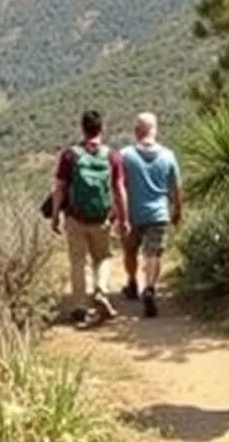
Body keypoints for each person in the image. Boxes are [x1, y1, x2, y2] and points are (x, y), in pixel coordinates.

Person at [52, 110, 128, 327]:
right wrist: (124, 218)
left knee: (78, 261)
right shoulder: (112, 156)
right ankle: (101, 291)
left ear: (82, 128)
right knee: (102, 257)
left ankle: (79, 308)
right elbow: (119, 189)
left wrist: (56, 215)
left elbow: (59, 187)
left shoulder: (70, 155)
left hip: (76, 218)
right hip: (102, 218)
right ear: (101, 129)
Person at [120, 112, 183, 317]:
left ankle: (132, 282)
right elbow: (176, 187)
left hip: (132, 214)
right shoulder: (168, 156)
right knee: (153, 253)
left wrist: (117, 213)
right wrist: (177, 210)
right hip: (158, 214)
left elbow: (118, 186)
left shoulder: (125, 155)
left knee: (130, 251)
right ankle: (149, 288)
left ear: (137, 131)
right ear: (154, 130)